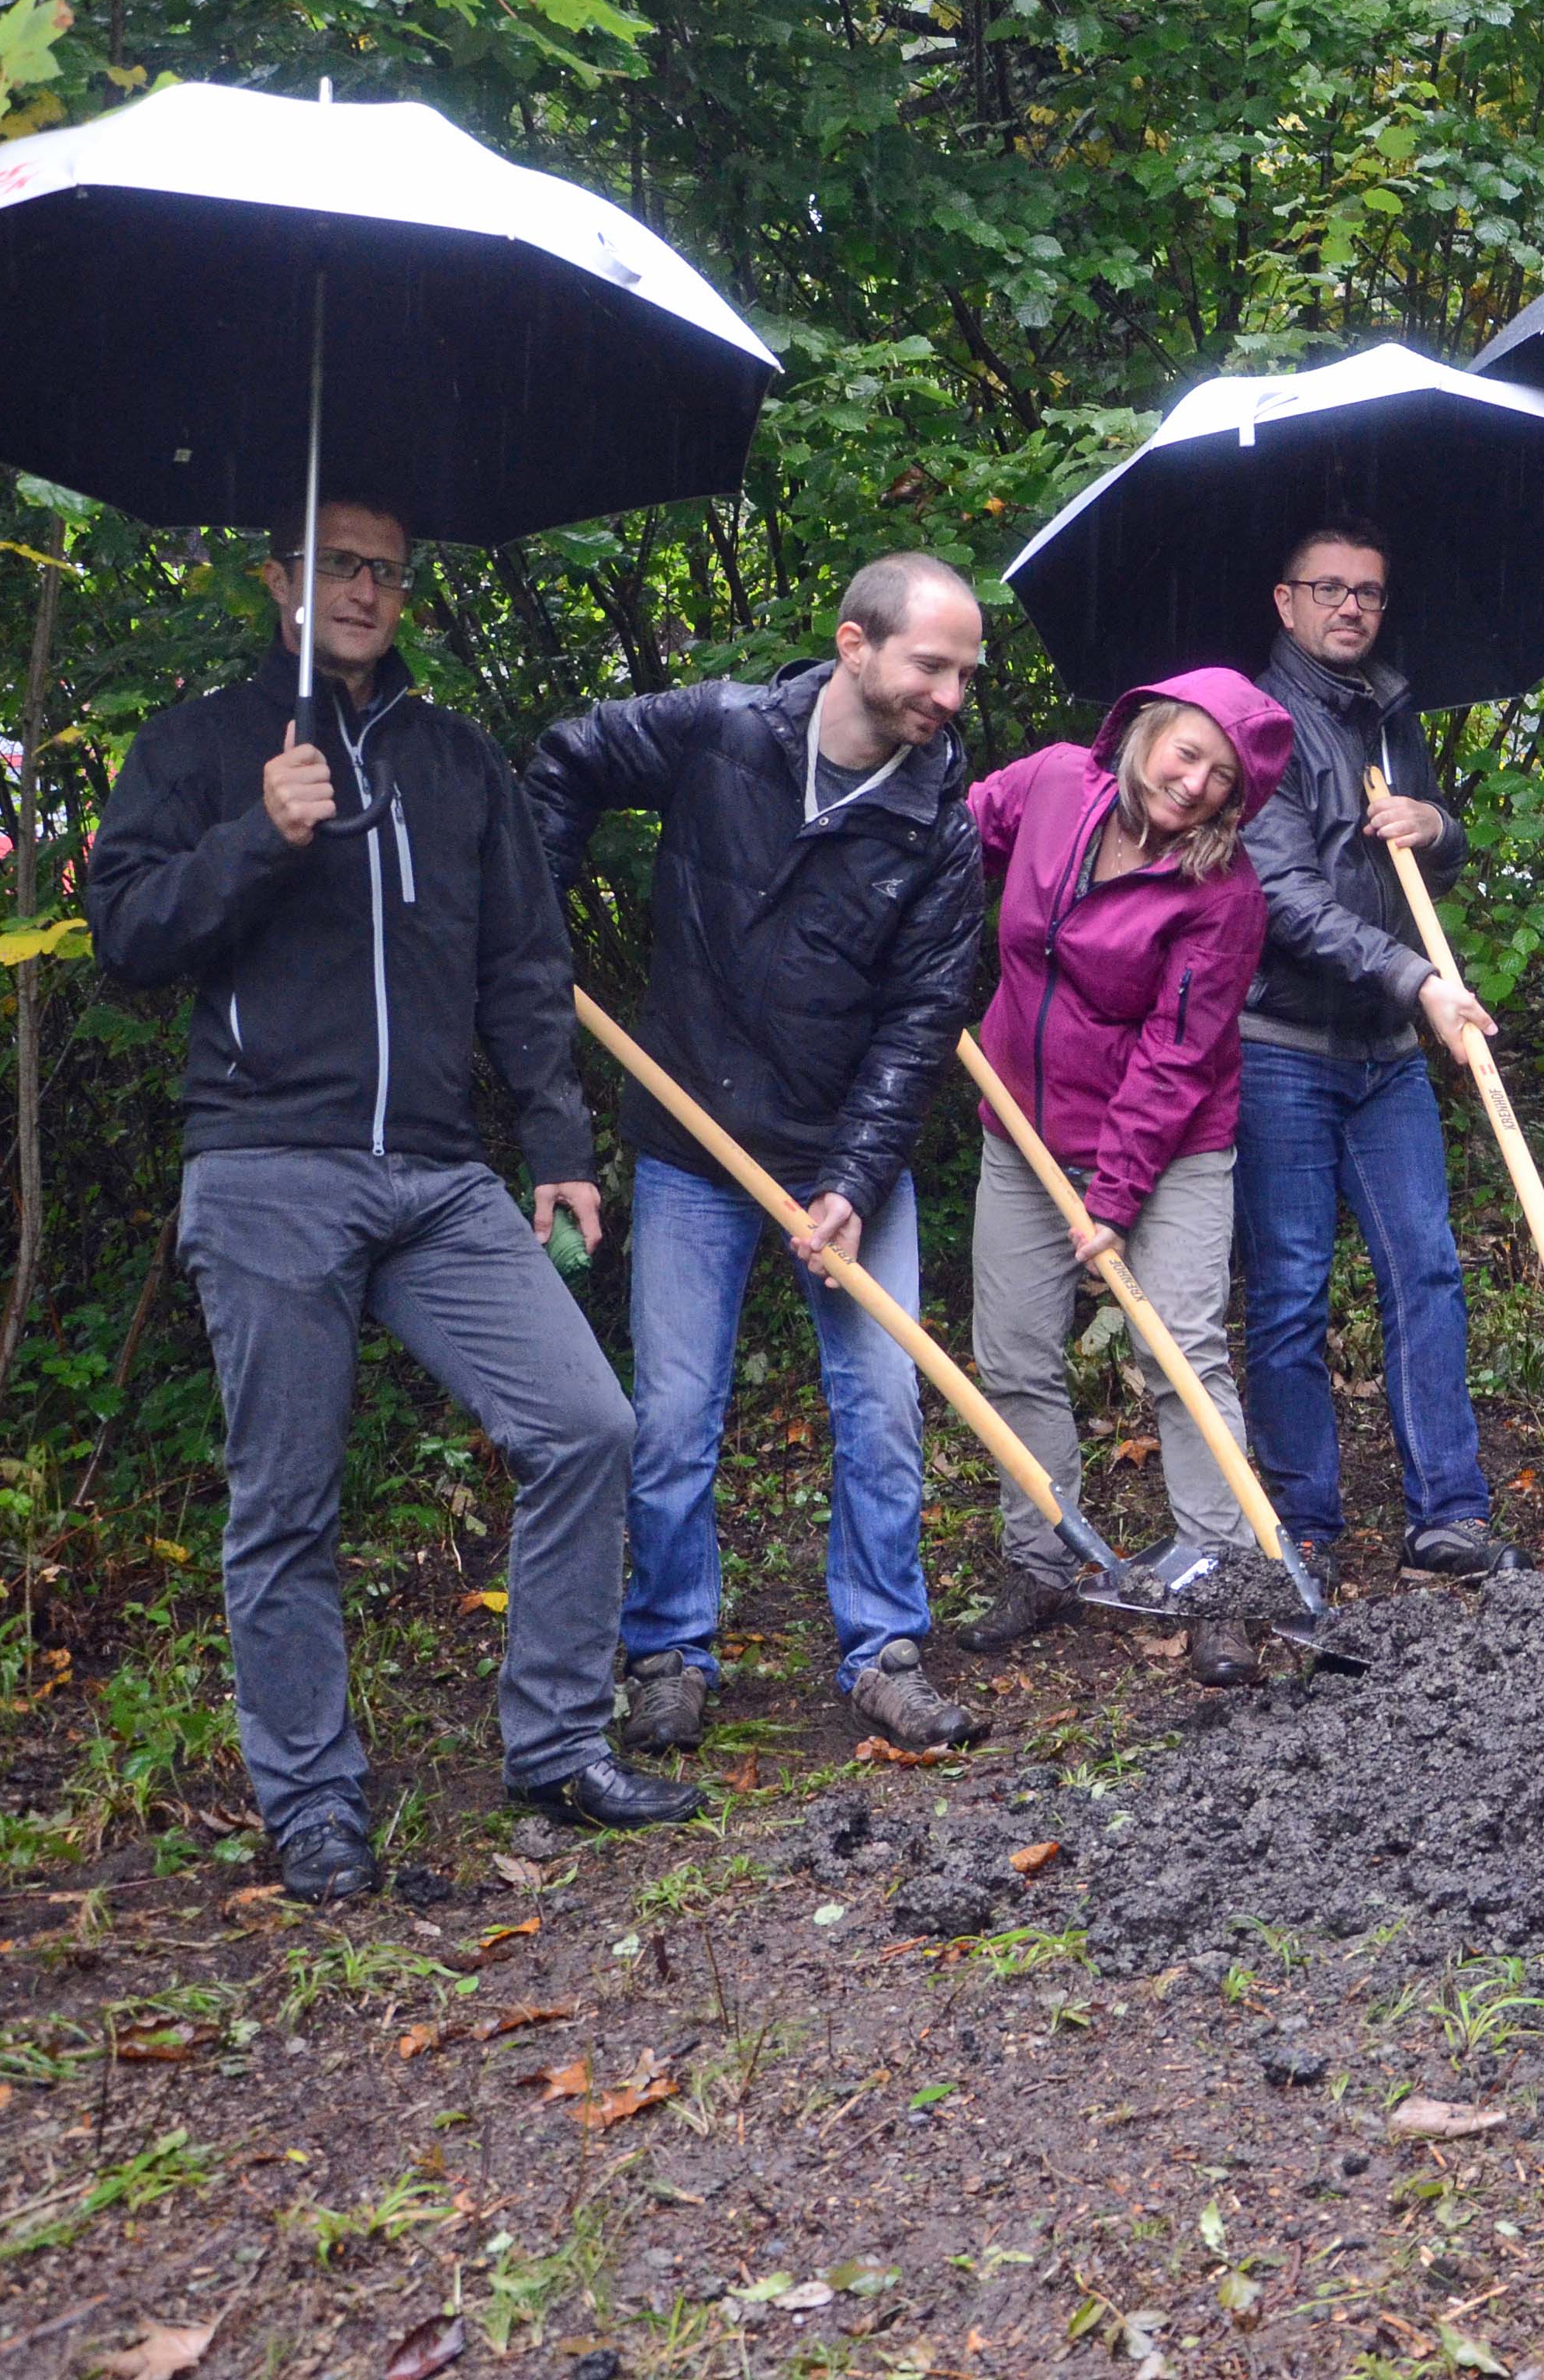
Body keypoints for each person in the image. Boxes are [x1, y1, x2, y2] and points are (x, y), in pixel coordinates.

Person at [86, 498, 698, 1905]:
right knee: (286, 1501)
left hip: (435, 1172)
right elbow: (124, 936)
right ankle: (312, 1803)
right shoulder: (196, 746)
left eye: (385, 570)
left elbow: (523, 967)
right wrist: (259, 832)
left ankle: (555, 1742)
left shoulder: (455, 757)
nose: (364, 590)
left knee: (587, 1420)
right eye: (336, 564)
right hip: (265, 1166)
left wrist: (555, 1139)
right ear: (277, 577)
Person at [525, 553, 994, 1755]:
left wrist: (851, 1183)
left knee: (884, 1404)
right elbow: (568, 755)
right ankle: (670, 1653)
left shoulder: (941, 824)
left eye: (965, 673)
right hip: (691, 1137)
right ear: (854, 644)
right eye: (930, 665)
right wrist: (531, 919)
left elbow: (919, 1023)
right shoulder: (721, 730)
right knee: (675, 1415)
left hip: (847, 1148)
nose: (950, 693)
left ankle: (884, 1645)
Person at [959, 668, 1293, 1689]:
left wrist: (1112, 1202)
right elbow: (947, 841)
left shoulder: (1223, 896)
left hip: (1175, 1139)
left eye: (1219, 780)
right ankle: (1045, 1557)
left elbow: (1176, 1057)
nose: (1191, 784)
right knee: (1014, 1352)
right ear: (1149, 728)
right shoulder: (1055, 783)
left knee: (1180, 1352)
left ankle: (1221, 1585)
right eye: (1186, 752)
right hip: (1021, 1119)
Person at [1235, 521, 1521, 1580]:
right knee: (1292, 1286)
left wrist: (1435, 827)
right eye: (1329, 589)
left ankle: (1448, 1512)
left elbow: (1434, 867)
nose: (1351, 607)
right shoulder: (1256, 724)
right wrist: (1420, 982)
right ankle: (1304, 1524)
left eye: (1369, 592)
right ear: (1286, 601)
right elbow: (1283, 900)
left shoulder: (1393, 715)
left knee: (1427, 1272)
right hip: (1281, 1043)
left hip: (1386, 1046)